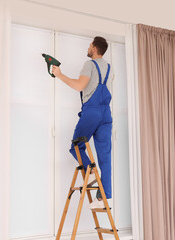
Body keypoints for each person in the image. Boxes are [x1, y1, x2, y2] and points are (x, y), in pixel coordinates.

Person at [52, 36, 114, 209]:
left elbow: (80, 86)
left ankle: (91, 170)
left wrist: (59, 74)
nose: (88, 48)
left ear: (94, 48)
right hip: (106, 114)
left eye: (89, 46)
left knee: (76, 146)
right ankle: (104, 198)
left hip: (92, 111)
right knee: (105, 156)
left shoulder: (89, 65)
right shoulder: (109, 67)